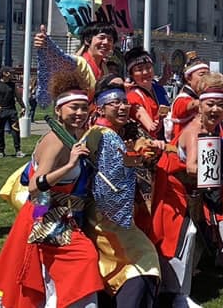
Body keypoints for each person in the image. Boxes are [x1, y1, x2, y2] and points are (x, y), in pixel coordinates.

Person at [0, 72, 105, 308]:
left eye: (84, 108)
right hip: (44, 216)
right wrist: (70, 165)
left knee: (45, 274)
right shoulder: (57, 141)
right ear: (59, 110)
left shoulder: (69, 136)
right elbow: (34, 185)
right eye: (74, 108)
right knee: (82, 259)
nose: (80, 113)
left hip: (51, 215)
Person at [84, 75, 162, 307]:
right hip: (108, 217)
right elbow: (113, 179)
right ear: (100, 108)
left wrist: (139, 156)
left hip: (106, 213)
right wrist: (137, 158)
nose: (122, 106)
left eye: (124, 101)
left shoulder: (106, 133)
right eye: (114, 103)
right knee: (143, 260)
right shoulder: (104, 135)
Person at [151, 72, 223, 308]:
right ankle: (177, 294)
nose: (215, 109)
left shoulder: (213, 127)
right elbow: (194, 167)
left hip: (191, 192)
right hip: (174, 192)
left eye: (220, 105)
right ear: (200, 105)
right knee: (185, 236)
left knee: (195, 238)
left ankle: (177, 289)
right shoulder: (197, 130)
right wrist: (218, 178)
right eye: (210, 104)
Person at [35, 21, 117, 103]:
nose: (106, 42)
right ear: (87, 40)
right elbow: (61, 59)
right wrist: (47, 46)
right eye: (101, 37)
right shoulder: (79, 62)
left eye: (110, 39)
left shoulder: (104, 67)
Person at [125, 47, 171, 140]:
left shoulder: (157, 88)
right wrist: (159, 121)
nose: (145, 72)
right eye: (139, 69)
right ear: (131, 74)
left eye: (148, 67)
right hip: (149, 145)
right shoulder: (133, 96)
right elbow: (151, 128)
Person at [0, 68, 23, 158]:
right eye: (10, 73)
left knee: (16, 131)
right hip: (0, 111)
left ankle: (18, 151)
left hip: (12, 110)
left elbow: (18, 97)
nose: (12, 74)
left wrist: (23, 107)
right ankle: (1, 152)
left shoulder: (13, 85)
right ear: (5, 73)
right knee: (0, 131)